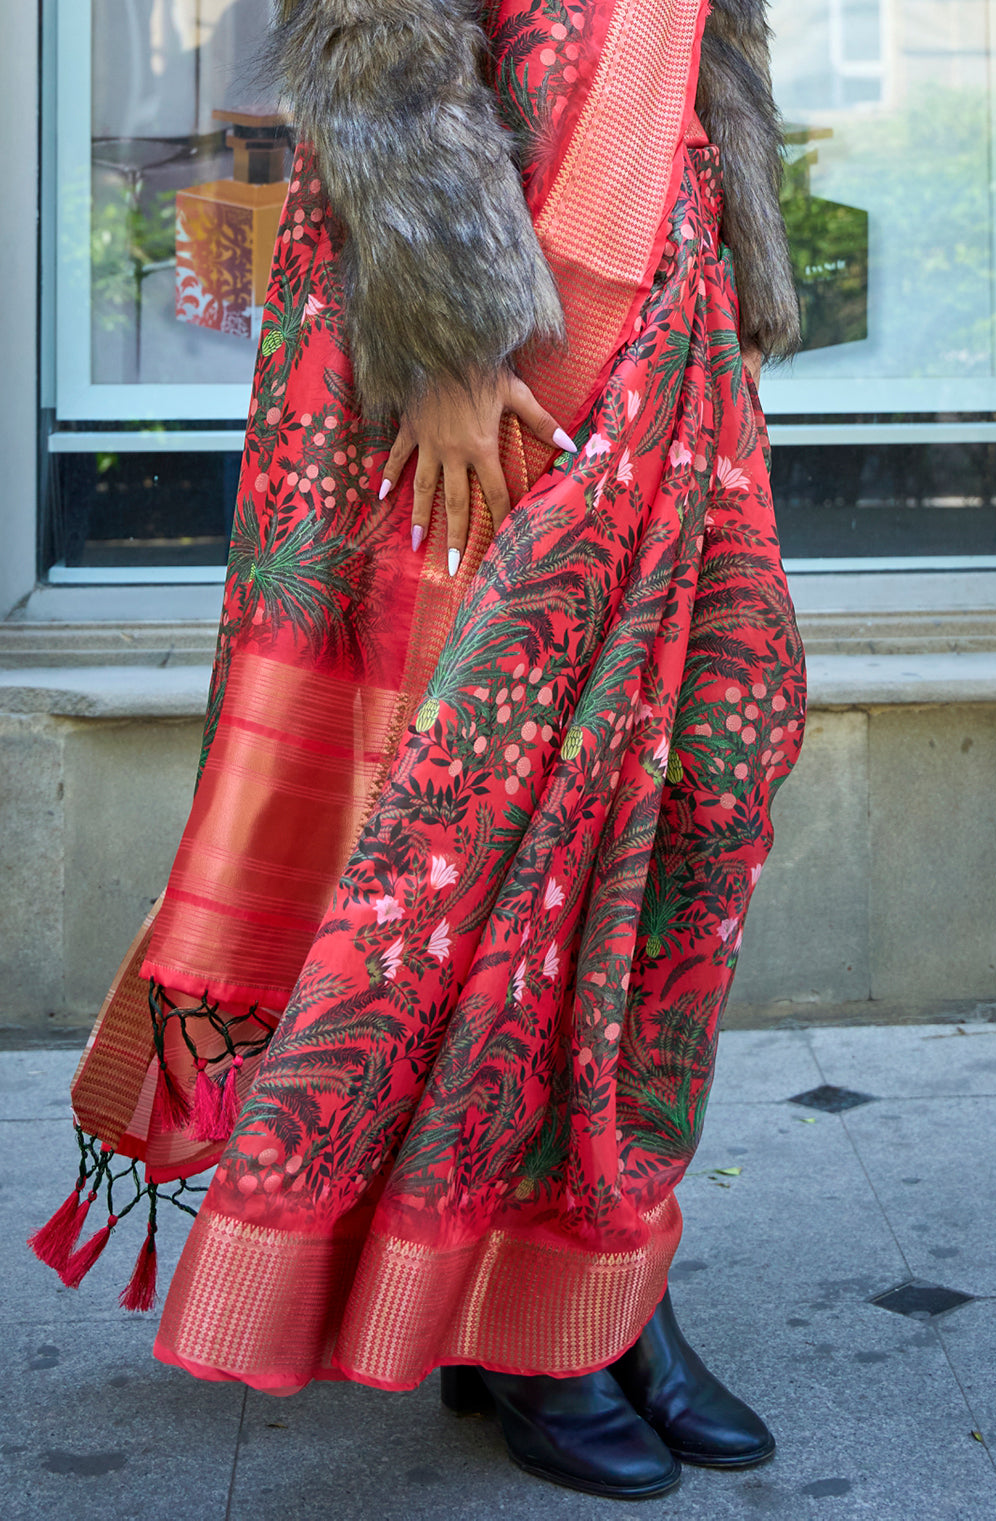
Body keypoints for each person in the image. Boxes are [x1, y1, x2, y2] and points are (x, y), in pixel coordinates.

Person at [30, 0, 805, 1500]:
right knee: (492, 850)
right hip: (496, 342)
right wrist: (448, 344)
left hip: (671, 331)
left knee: (693, 806)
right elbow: (374, 44)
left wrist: (726, 299)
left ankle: (592, 1267)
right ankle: (518, 1315)